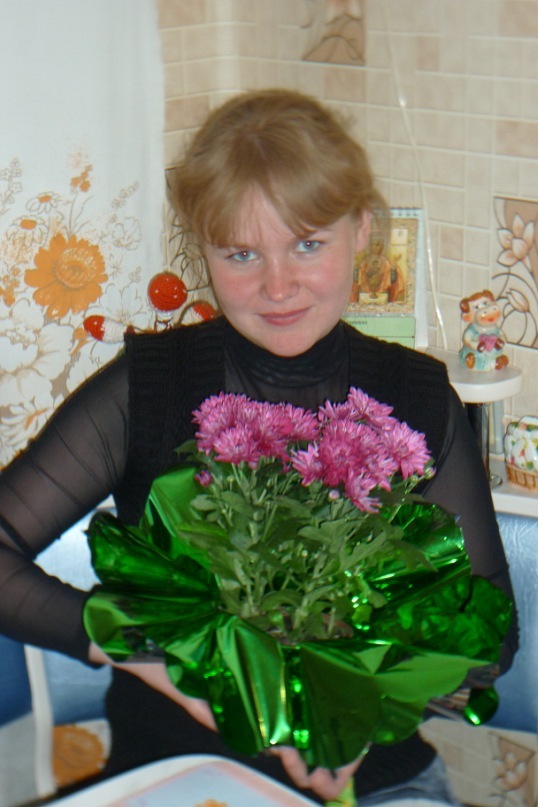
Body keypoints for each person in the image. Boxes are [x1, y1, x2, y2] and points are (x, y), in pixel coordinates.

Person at [0, 89, 518, 805]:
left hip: (373, 785)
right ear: (203, 247)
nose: (278, 286)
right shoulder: (150, 388)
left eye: (307, 244)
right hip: (181, 776)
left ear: (362, 230)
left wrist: (355, 715)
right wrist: (148, 654)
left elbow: (489, 636)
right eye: (241, 253)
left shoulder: (418, 396)